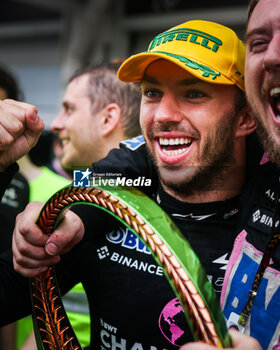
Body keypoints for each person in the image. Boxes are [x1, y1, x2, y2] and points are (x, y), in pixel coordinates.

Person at [10, 19, 267, 349]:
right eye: (153, 93)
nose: (163, 114)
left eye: (194, 93)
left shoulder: (268, 216)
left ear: (245, 117)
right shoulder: (106, 205)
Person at [19, 61, 142, 349]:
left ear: (108, 119)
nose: (57, 123)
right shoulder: (77, 192)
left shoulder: (150, 208)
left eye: (69, 109)